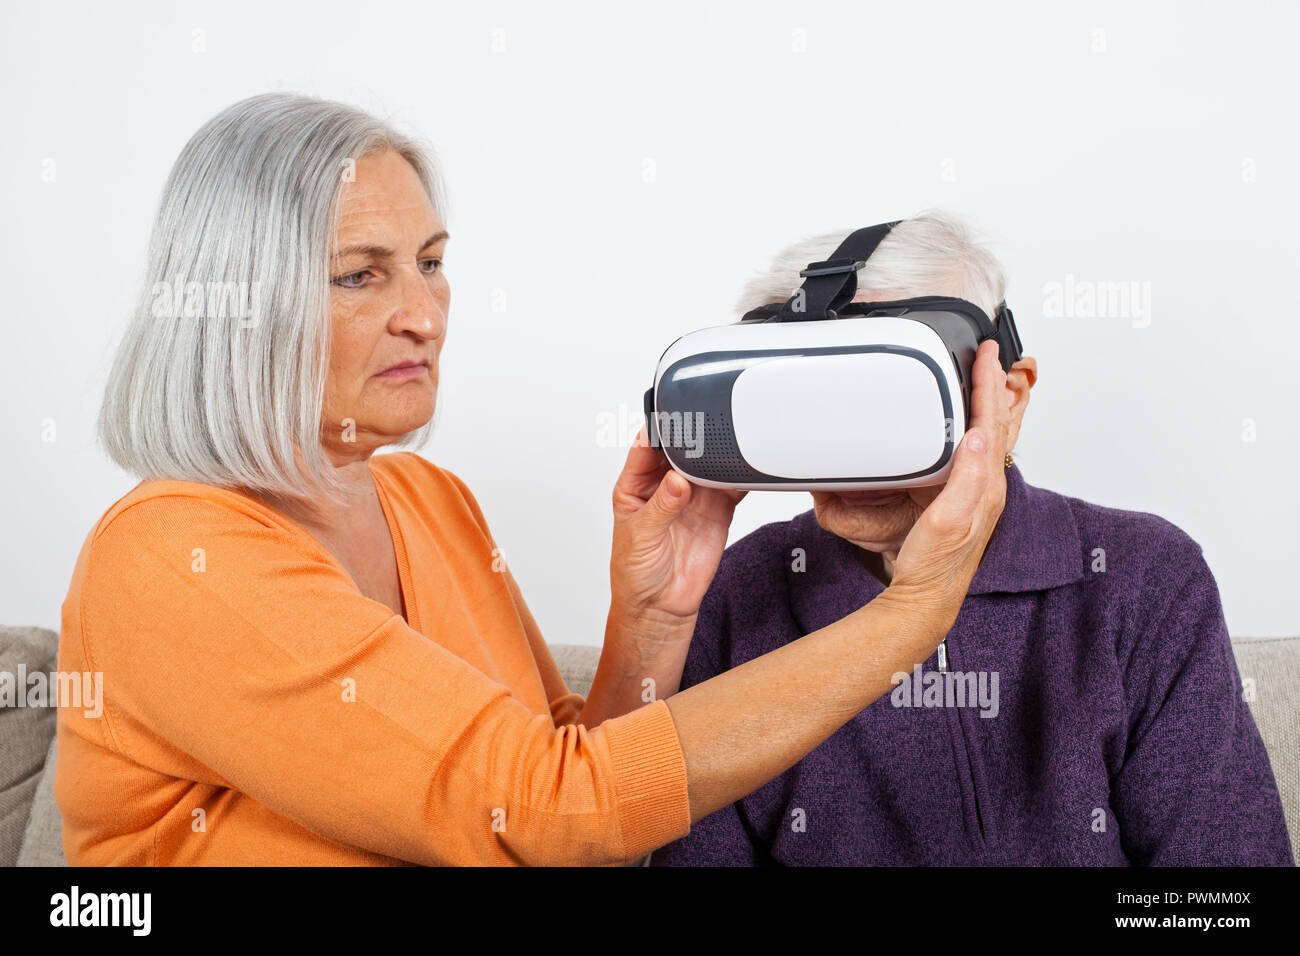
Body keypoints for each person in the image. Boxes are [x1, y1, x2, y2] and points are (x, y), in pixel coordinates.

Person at [56, 94, 1012, 866]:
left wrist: (653, 619)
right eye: (362, 276)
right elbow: (554, 814)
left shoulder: (428, 502)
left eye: (431, 265)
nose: (423, 315)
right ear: (237, 304)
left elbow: (579, 793)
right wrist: (916, 609)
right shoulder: (172, 556)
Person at [650, 212, 1294, 866]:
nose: (852, 454)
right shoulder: (738, 593)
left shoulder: (1144, 580)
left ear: (1007, 399)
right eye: (812, 407)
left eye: (892, 401)